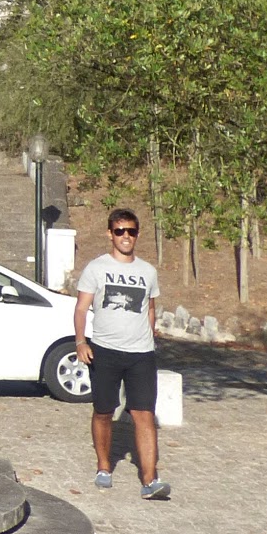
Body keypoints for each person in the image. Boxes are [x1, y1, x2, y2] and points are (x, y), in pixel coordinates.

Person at [74, 210, 170, 499]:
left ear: (137, 234)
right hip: (105, 350)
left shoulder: (148, 272)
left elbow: (150, 308)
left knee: (145, 414)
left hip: (141, 354)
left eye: (131, 231)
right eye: (119, 231)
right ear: (110, 234)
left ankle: (150, 480)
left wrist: (150, 335)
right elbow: (81, 309)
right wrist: (81, 341)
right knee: (104, 412)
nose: (126, 236)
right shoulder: (96, 268)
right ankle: (104, 466)